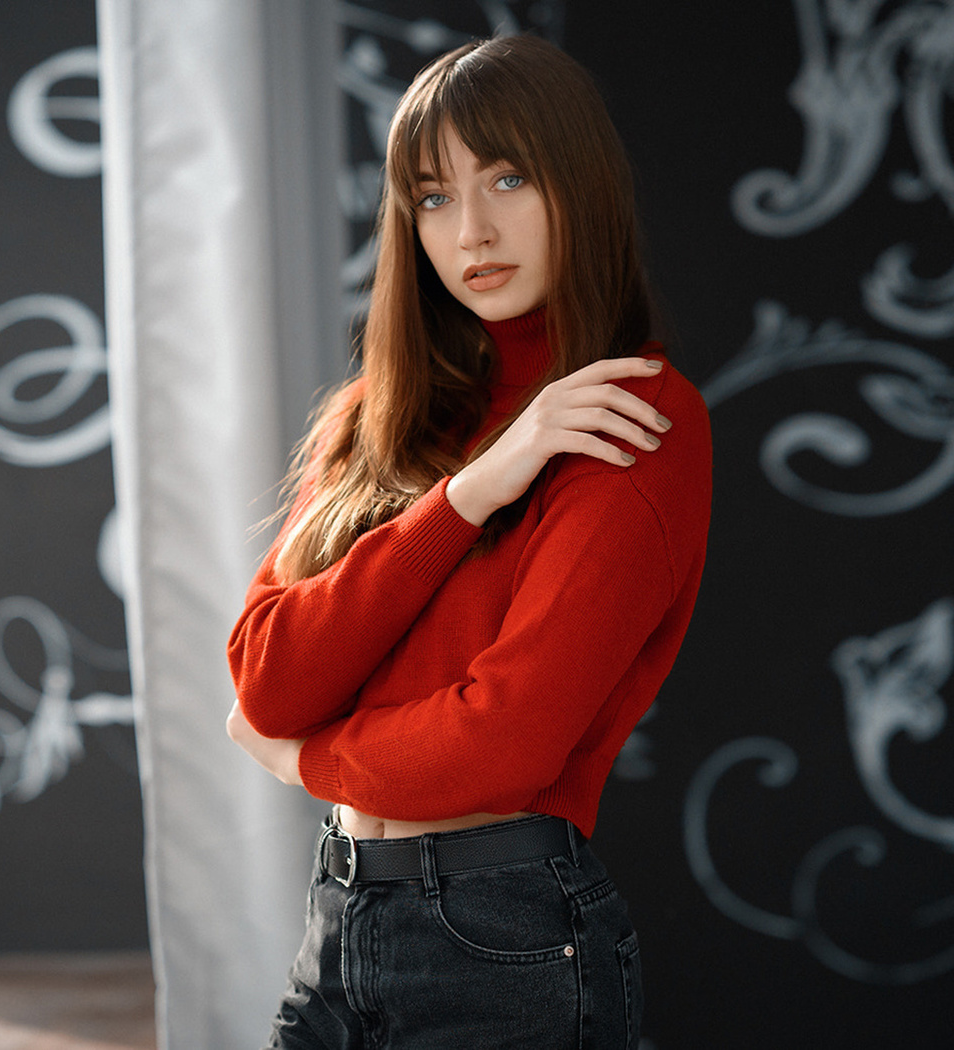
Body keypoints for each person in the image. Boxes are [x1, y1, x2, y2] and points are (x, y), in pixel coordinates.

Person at [224, 33, 710, 1050]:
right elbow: (267, 677)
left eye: (509, 177)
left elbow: (502, 742)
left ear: (579, 186)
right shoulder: (376, 415)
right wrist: (471, 493)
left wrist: (307, 759)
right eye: (435, 196)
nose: (473, 229)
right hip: (338, 920)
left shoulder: (630, 417)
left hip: (505, 938)